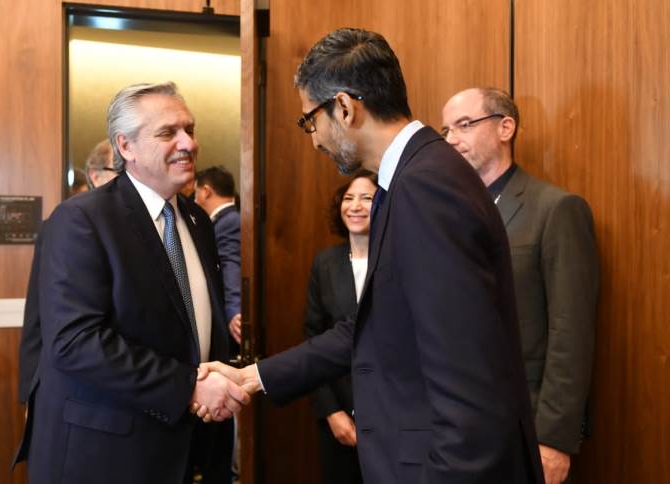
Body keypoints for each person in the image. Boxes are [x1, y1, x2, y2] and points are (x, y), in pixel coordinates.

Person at [197, 28, 545, 483]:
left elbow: (468, 382)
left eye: (309, 121)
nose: (315, 139)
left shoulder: (426, 187)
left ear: (344, 107)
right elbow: (374, 324)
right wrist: (253, 377)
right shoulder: (411, 178)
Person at [15, 82, 249, 484]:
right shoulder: (81, 221)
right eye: (167, 133)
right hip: (108, 454)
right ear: (126, 147)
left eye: (189, 130)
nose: (188, 144)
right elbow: (75, 341)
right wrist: (189, 387)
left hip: (190, 447)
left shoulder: (197, 222)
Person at [441, 87, 599, 484]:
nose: (451, 140)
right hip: (453, 428)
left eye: (463, 125)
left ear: (505, 127)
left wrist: (554, 439)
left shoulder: (556, 209)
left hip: (524, 426)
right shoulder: (447, 215)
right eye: (445, 130)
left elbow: (571, 333)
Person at [18, 138, 117, 406]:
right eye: (119, 171)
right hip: (73, 392)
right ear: (95, 176)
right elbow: (38, 316)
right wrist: (31, 392)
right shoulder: (66, 224)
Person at [303, 171, 377, 484]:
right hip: (339, 414)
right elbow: (313, 340)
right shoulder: (325, 263)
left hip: (394, 415)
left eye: (367, 198)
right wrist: (331, 412)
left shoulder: (400, 258)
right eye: (349, 198)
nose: (355, 206)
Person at [194, 165, 242, 345]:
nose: (195, 200)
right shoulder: (229, 219)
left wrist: (233, 310)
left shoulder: (228, 222)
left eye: (196, 192)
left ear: (206, 192)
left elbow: (231, 263)